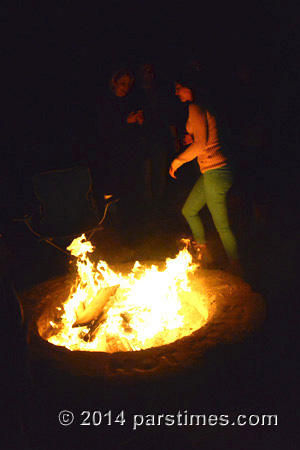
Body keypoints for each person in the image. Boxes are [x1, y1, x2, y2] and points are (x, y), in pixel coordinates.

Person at [169, 73, 243, 276]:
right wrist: (191, 140)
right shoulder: (203, 105)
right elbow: (202, 138)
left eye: (178, 87)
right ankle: (204, 254)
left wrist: (177, 162)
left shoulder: (195, 107)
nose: (175, 92)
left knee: (222, 225)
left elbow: (202, 143)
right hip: (213, 171)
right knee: (189, 210)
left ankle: (237, 267)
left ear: (189, 86)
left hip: (215, 170)